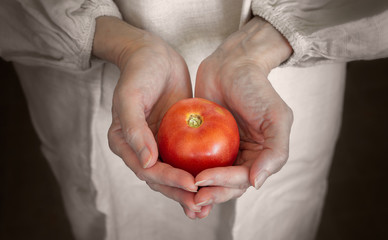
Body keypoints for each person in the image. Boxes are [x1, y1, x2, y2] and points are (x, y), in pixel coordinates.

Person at [1, 0, 387, 239]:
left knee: (281, 216)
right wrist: (119, 40)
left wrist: (268, 42)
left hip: (287, 61)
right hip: (94, 64)